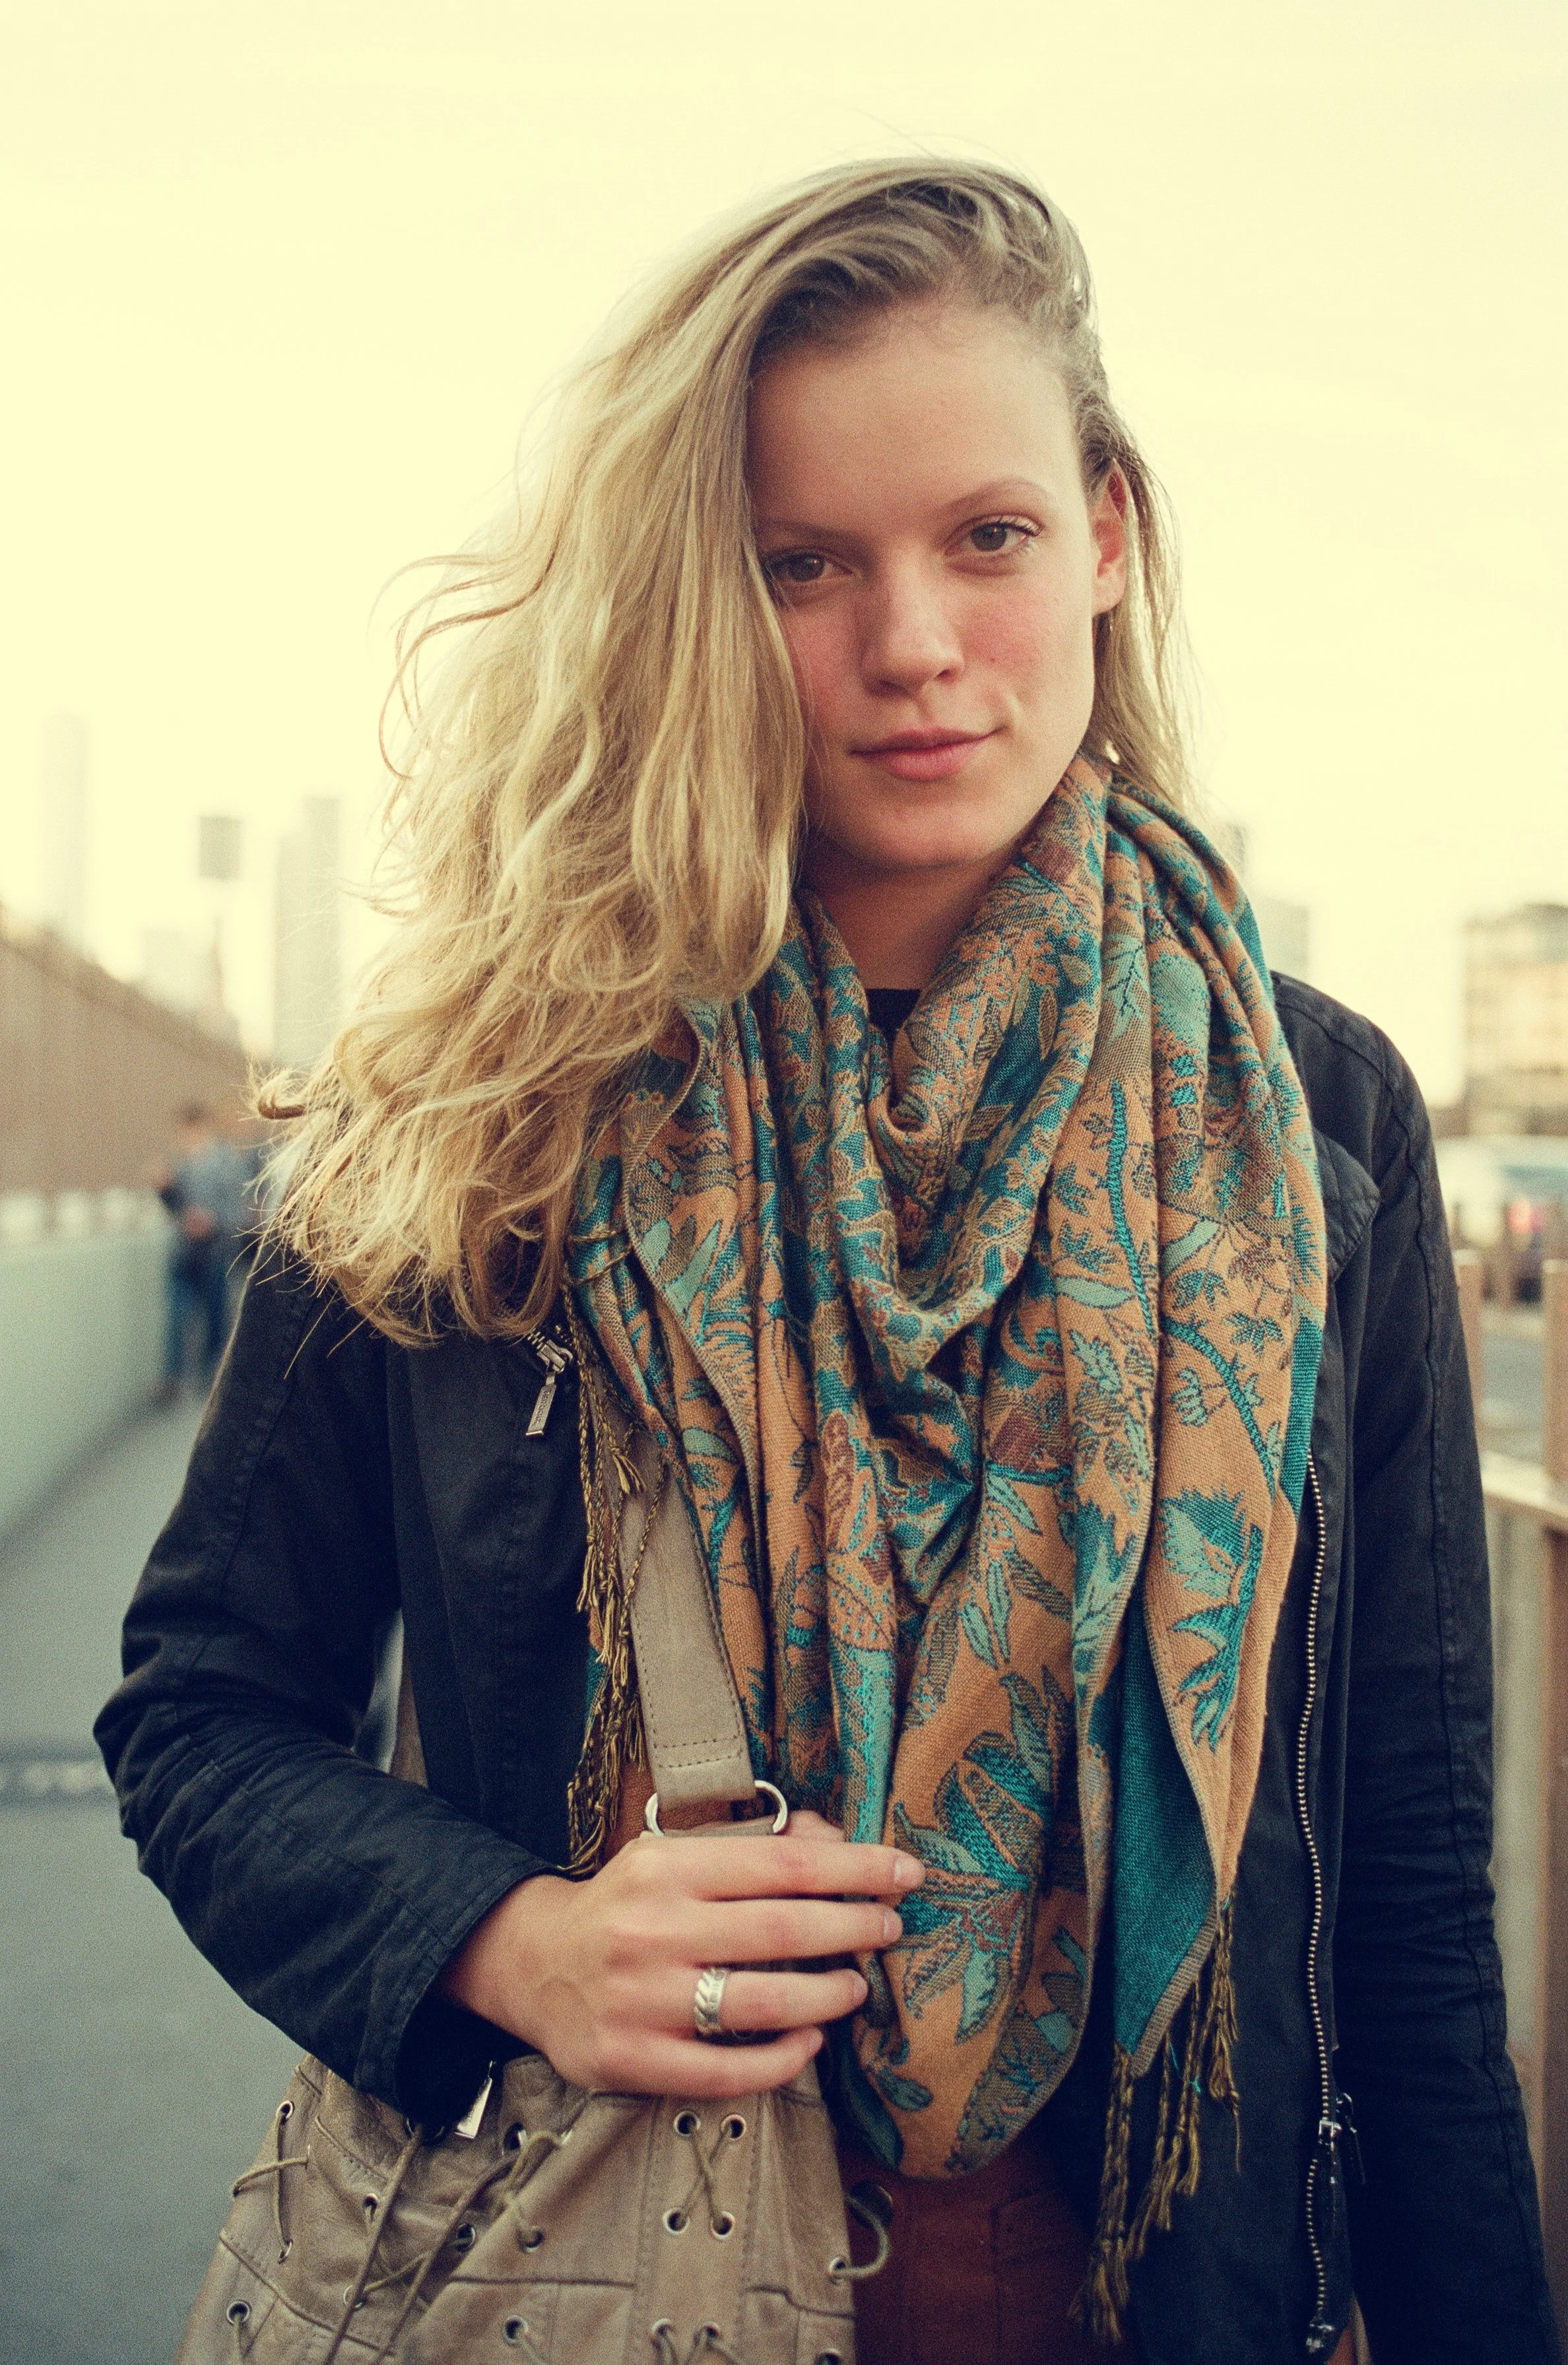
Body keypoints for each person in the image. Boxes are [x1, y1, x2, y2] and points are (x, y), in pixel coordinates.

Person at [97, 163, 1556, 2364]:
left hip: (1173, 2298)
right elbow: (201, 1710)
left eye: (985, 537)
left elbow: (1411, 1907)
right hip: (601, 2277)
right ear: (699, 593)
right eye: (802, 564)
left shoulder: (1308, 1119)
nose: (909, 643)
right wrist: (510, 1938)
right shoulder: (491, 1101)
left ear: (1106, 539)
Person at [154, 1102, 244, 1396]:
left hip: (215, 1252)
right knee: (177, 1317)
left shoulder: (228, 1163)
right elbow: (174, 1208)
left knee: (215, 1318)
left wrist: (213, 1222)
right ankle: (173, 1379)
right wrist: (165, 1190)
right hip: (184, 1253)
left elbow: (238, 1209)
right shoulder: (179, 1163)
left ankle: (212, 1378)